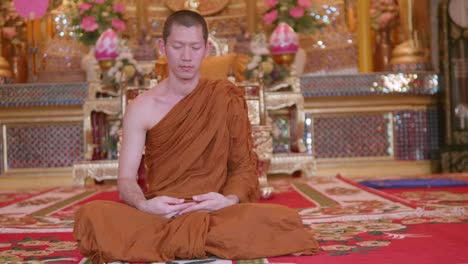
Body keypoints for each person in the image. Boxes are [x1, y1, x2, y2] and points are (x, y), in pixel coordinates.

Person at [74, 10, 319, 263]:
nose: (187, 57)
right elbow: (126, 179)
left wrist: (227, 199)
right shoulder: (142, 107)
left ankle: (177, 241)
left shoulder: (225, 97)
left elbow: (244, 168)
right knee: (91, 216)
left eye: (195, 47)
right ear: (163, 47)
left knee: (285, 220)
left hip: (215, 212)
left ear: (205, 49)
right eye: (178, 46)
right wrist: (145, 205)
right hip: (163, 214)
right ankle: (194, 240)